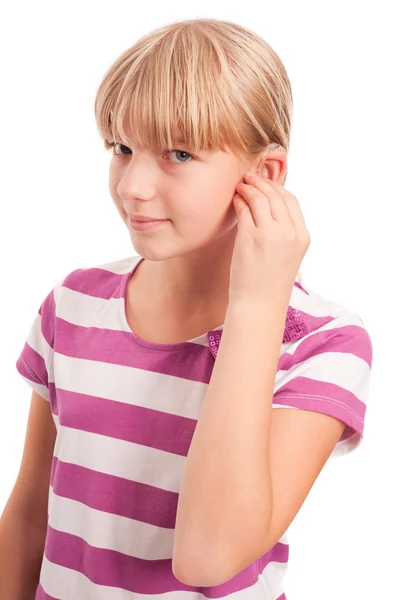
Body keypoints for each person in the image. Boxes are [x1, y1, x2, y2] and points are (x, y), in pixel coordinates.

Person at [0, 17, 373, 600]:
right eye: (122, 148)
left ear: (263, 175)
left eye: (177, 153)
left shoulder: (324, 345)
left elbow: (209, 556)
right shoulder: (72, 305)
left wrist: (255, 304)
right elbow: (29, 513)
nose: (133, 186)